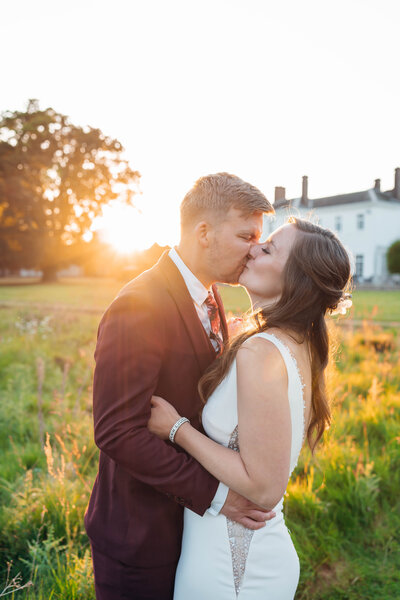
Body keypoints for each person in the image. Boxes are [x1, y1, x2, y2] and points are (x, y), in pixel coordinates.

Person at [84, 173, 274, 599]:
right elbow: (118, 431)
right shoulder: (139, 305)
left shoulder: (213, 296)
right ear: (203, 232)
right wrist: (215, 495)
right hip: (140, 534)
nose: (254, 249)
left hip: (192, 531)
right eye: (246, 235)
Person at [148, 217, 352, 600]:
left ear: (297, 279)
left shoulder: (262, 352)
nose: (254, 248)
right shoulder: (294, 340)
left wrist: (177, 429)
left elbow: (264, 487)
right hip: (237, 551)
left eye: (269, 248)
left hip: (232, 567)